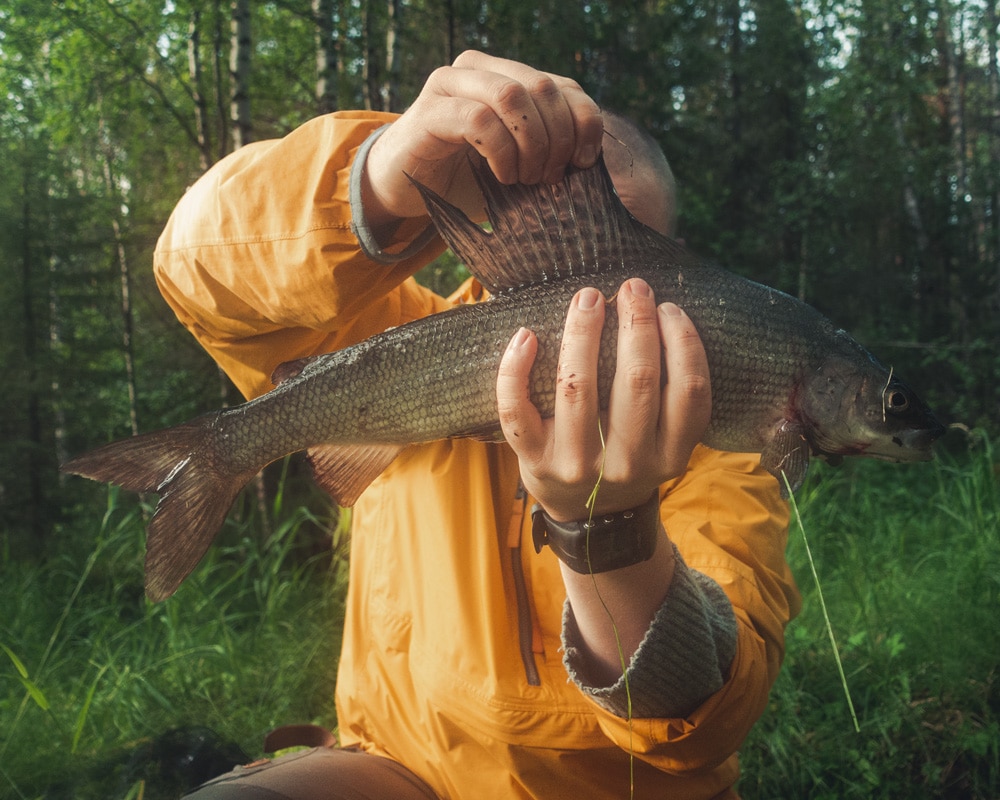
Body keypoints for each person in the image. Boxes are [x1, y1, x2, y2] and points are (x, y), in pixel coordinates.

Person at [154, 51, 800, 800]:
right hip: (396, 767)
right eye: (577, 248)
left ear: (679, 273)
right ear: (520, 235)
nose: (596, 312)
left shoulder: (720, 442)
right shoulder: (404, 333)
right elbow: (195, 270)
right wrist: (375, 180)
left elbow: (707, 714)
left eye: (630, 270)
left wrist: (610, 530)